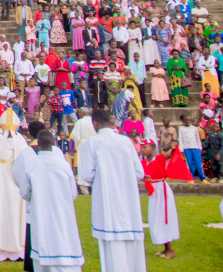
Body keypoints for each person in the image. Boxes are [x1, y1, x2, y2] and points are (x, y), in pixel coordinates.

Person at [78, 109, 145, 272]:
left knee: (111, 249)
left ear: (95, 124)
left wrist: (105, 178)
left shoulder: (92, 143)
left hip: (107, 199)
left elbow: (87, 174)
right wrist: (123, 177)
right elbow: (139, 173)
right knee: (131, 244)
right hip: (128, 200)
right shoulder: (126, 141)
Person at [15, 129, 85, 272]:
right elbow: (73, 193)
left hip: (40, 211)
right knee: (64, 239)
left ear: (38, 144)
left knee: (42, 244)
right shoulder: (64, 165)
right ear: (53, 143)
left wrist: (38, 199)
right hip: (62, 212)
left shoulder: (32, 165)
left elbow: (25, 192)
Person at [0, 115, 28, 261]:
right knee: (18, 217)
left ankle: (2, 252)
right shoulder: (22, 145)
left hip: (2, 189)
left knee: (2, 214)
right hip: (19, 191)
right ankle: (19, 250)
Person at [139, 140, 189, 259]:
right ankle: (166, 248)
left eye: (145, 147)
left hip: (162, 190)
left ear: (152, 148)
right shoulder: (143, 162)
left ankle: (170, 249)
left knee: (164, 217)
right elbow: (141, 175)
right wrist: (145, 178)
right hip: (154, 192)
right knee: (156, 218)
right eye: (142, 148)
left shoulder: (160, 158)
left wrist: (173, 147)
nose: (143, 150)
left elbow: (171, 154)